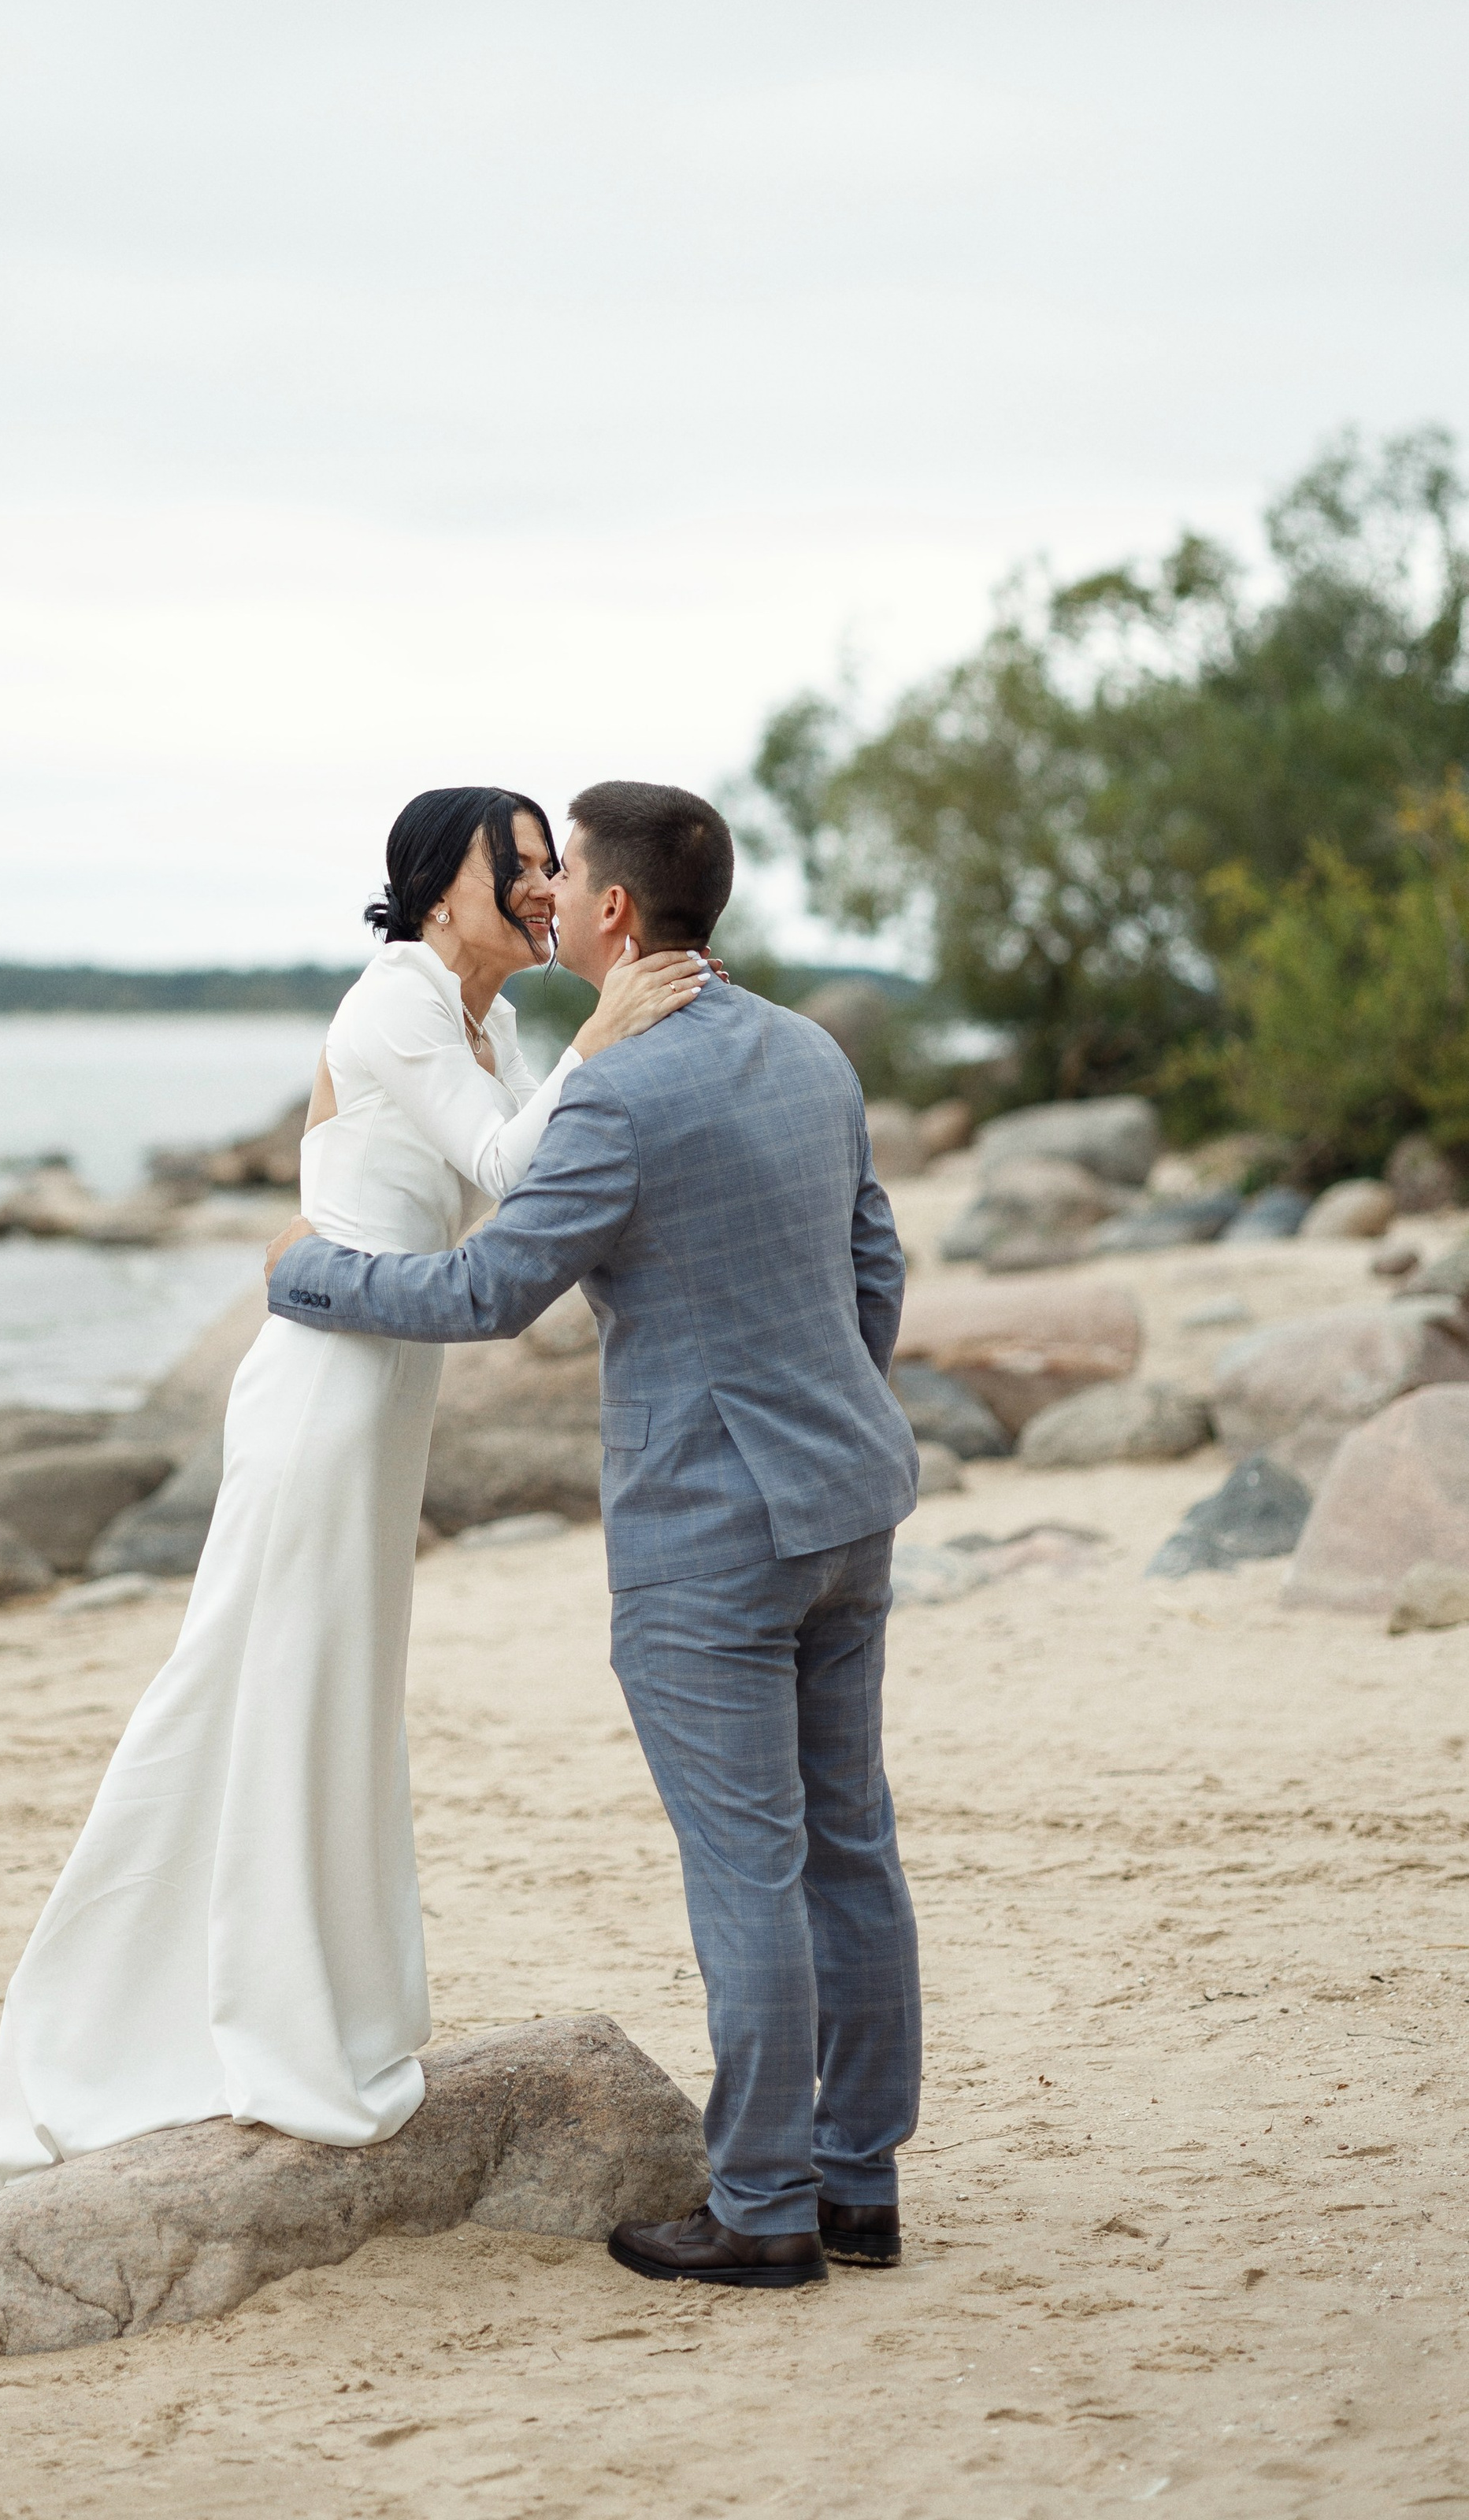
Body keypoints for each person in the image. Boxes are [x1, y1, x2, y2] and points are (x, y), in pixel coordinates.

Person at [0, 785, 705, 2188]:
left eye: (559, 868)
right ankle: (151, 2034)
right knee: (255, 1680)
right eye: (528, 867)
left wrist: (581, 1048)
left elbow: (491, 1178)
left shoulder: (481, 1019)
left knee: (333, 1690)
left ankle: (316, 2009)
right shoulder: (397, 1002)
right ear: (446, 887)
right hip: (323, 1391)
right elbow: (504, 1167)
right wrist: (609, 1033)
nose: (552, 889)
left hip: (383, 1386)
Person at [265, 779, 922, 2289]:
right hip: (850, 1504)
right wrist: (828, 1403)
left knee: (750, 1871)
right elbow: (871, 1259)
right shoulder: (812, 1050)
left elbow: (491, 1295)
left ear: (618, 913)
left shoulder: (620, 1096)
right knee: (852, 1847)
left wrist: (311, 1277)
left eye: (568, 881)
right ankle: (857, 2186)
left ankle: (761, 2212)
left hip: (712, 1530)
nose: (547, 896)